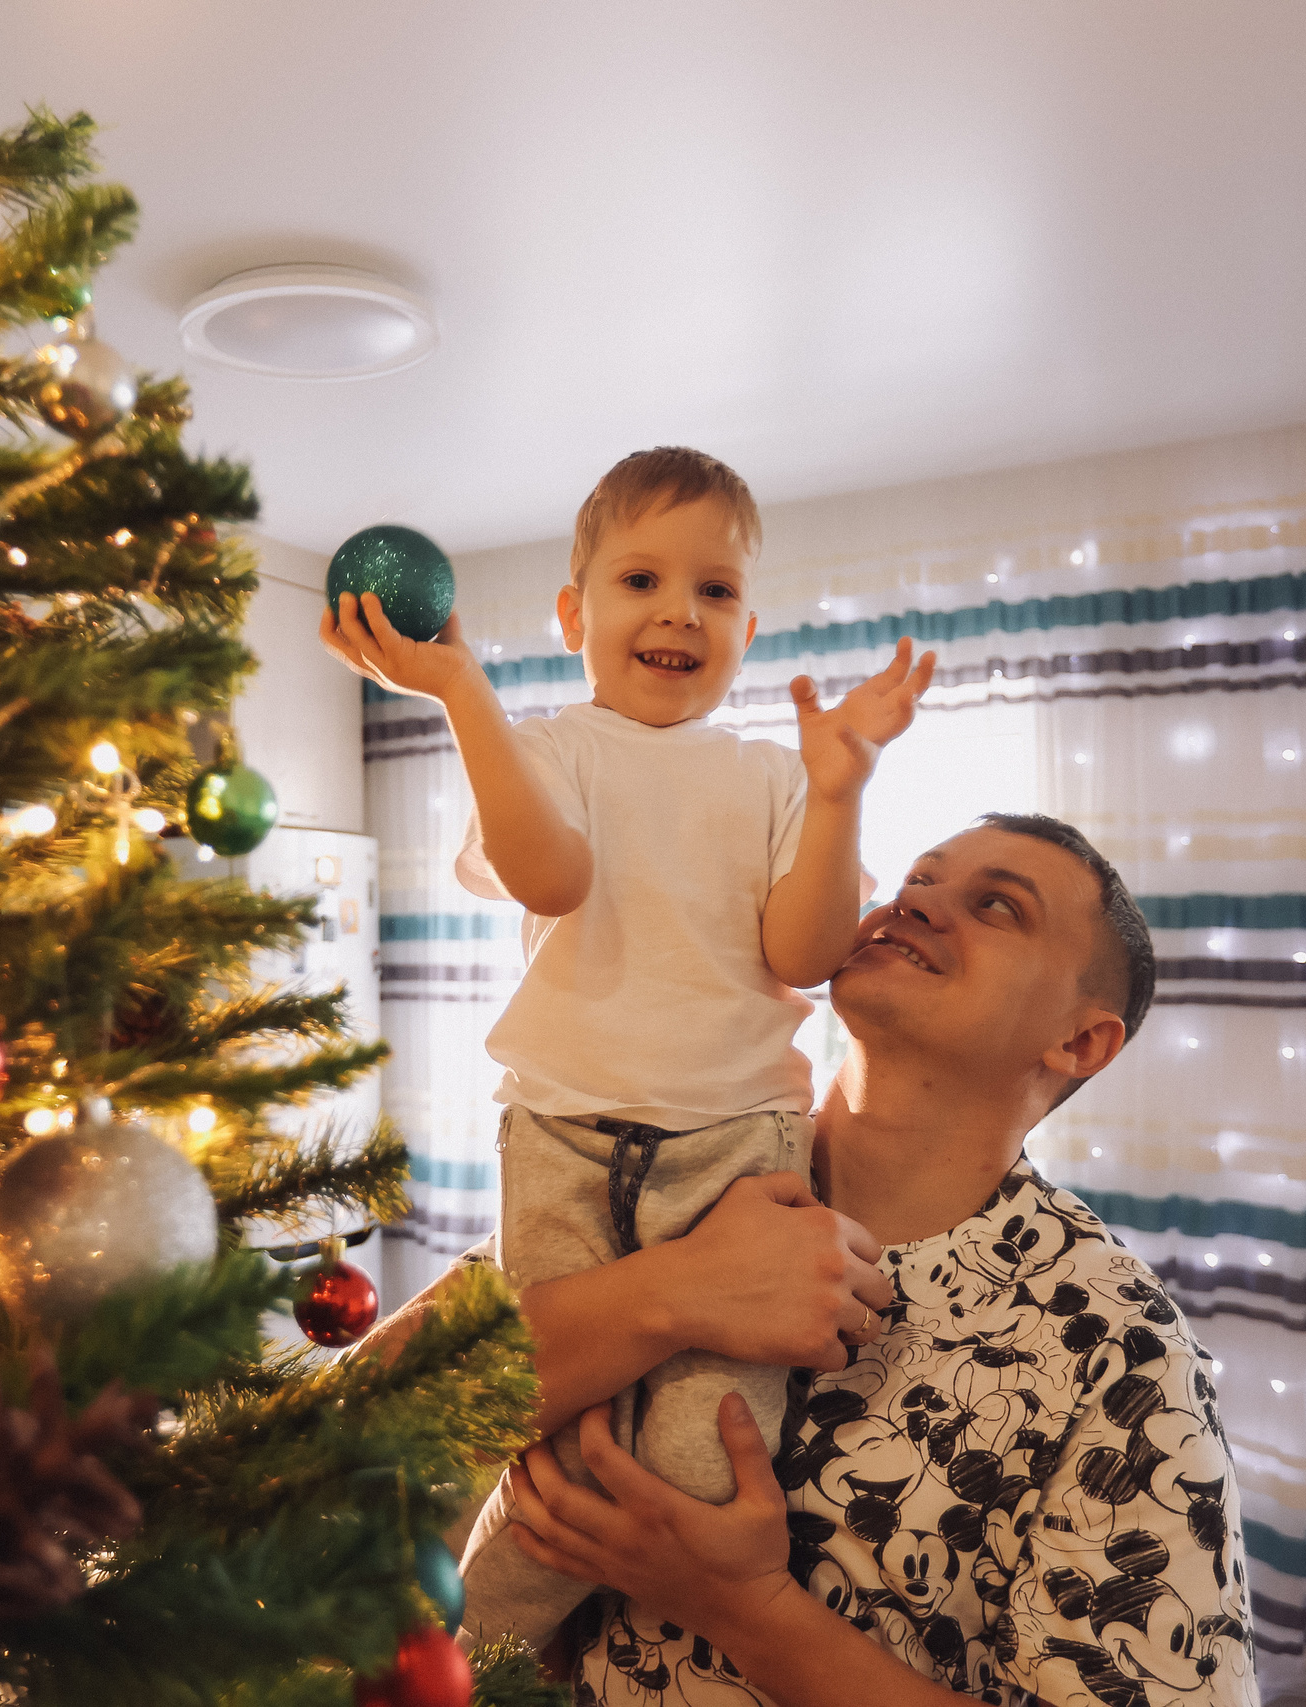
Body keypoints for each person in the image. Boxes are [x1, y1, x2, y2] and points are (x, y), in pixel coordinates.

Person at [318, 446, 935, 1647]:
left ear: (747, 630)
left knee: (699, 1466)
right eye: (641, 580)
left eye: (714, 590)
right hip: (564, 1136)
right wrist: (462, 694)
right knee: (545, 1442)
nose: (678, 612)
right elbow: (552, 874)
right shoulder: (548, 751)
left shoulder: (776, 776)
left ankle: (480, 1655)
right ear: (574, 615)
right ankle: (444, 1657)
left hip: (736, 1154)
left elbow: (806, 951)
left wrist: (840, 789)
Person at [488, 814, 1258, 1706]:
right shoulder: (670, 1160)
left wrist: (746, 1608)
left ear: (1080, 1042)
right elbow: (389, 1397)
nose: (913, 903)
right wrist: (671, 1292)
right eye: (918, 879)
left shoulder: (1122, 1353)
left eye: (998, 906)